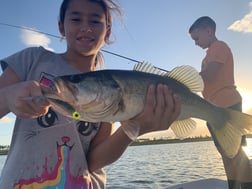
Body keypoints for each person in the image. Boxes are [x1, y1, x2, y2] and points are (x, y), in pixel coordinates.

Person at [0, 0, 181, 188]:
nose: (86, 28)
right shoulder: (33, 59)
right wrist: (6, 97)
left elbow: (94, 161)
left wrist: (135, 128)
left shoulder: (110, 91)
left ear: (108, 31)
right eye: (76, 19)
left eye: (95, 21)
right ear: (61, 27)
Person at [189, 16, 252, 189]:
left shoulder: (220, 46)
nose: (196, 43)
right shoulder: (206, 57)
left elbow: (209, 75)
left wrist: (187, 80)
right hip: (212, 109)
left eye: (197, 38)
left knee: (236, 151)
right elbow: (204, 79)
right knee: (224, 153)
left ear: (209, 31)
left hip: (227, 105)